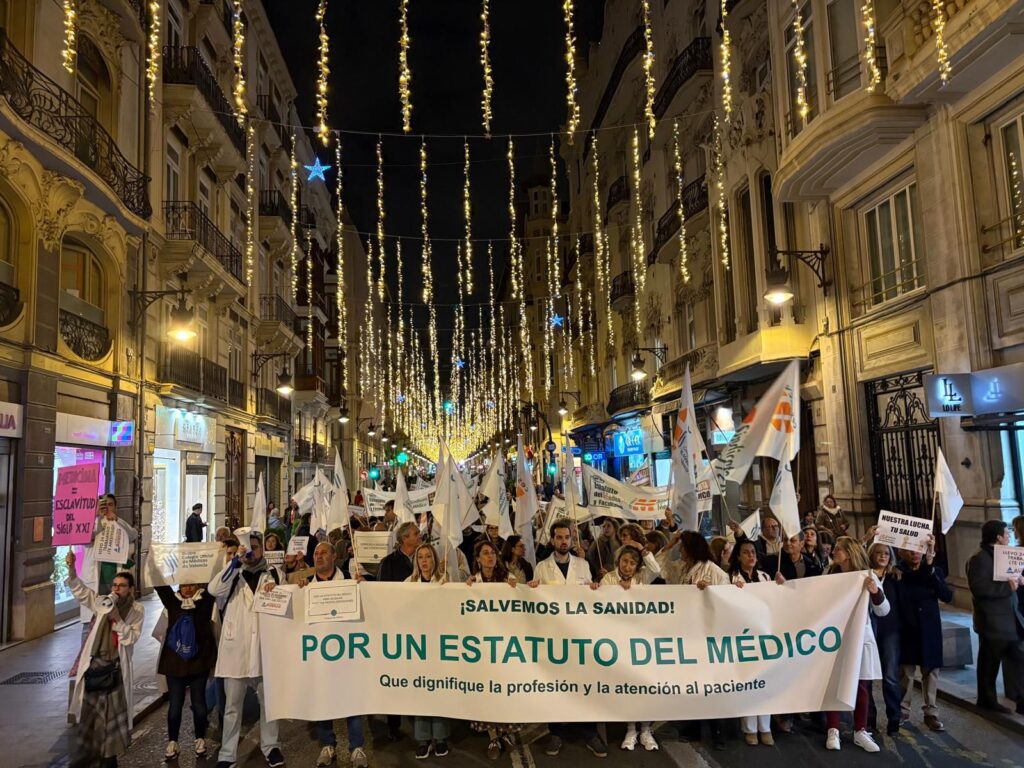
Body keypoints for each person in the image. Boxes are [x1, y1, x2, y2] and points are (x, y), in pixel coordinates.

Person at [207, 533, 286, 768]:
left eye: (254, 547)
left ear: (262, 549)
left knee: (269, 703)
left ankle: (271, 746)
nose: (251, 552)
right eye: (247, 548)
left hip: (265, 650)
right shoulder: (232, 575)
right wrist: (235, 561)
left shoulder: (274, 574)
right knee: (232, 706)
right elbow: (214, 589)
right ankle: (227, 753)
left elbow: (287, 602)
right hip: (236, 651)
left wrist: (279, 590)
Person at [529, 521, 607, 758]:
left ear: (572, 541)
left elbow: (593, 598)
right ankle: (556, 733)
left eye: (567, 537)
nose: (563, 541)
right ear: (552, 540)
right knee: (555, 687)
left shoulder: (583, 565)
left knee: (585, 685)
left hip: (580, 637)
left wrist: (595, 588)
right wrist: (530, 589)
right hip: (554, 638)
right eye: (559, 537)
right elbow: (534, 603)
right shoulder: (542, 568)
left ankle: (590, 732)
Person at [64, 551, 144, 768]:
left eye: (122, 586)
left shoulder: (136, 610)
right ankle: (90, 757)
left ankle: (109, 759)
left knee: (111, 722)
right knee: (91, 720)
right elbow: (82, 593)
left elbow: (130, 637)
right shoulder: (102, 602)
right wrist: (72, 570)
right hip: (94, 669)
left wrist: (117, 619)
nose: (116, 589)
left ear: (130, 590)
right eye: (114, 585)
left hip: (114, 671)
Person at [301, 542, 369, 767]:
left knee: (352, 701)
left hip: (348, 655)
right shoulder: (305, 586)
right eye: (316, 553)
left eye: (323, 553)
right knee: (324, 701)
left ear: (334, 556)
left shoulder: (350, 579)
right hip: (321, 657)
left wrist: (365, 588)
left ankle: (356, 747)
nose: (319, 557)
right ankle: (327, 745)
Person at [591, 545, 659, 752]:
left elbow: (656, 570)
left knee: (645, 685)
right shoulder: (608, 579)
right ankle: (630, 729)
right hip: (619, 639)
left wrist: (644, 551)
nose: (627, 566)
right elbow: (600, 603)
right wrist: (599, 589)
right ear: (618, 560)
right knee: (629, 686)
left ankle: (646, 730)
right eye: (624, 561)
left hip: (640, 639)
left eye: (632, 563)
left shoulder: (641, 578)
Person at [824, 537, 889, 753]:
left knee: (862, 685)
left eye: (838, 549)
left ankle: (860, 730)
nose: (834, 552)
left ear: (849, 553)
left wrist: (875, 592)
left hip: (860, 637)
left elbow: (884, 610)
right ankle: (833, 728)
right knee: (834, 682)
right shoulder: (830, 574)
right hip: (834, 637)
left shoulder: (867, 576)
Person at [467, 540, 521, 759]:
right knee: (487, 693)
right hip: (482, 648)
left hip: (505, 647)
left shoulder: (507, 579)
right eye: (485, 554)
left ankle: (506, 733)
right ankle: (492, 738)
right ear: (478, 559)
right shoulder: (473, 582)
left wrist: (519, 587)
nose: (490, 557)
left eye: (493, 553)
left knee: (504, 692)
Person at [153, 576, 217, 760]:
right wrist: (153, 556)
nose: (187, 589)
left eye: (191, 585)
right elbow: (159, 586)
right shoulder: (173, 602)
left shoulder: (205, 601)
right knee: (175, 705)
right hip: (175, 664)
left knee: (199, 704)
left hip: (198, 664)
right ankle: (173, 741)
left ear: (198, 585)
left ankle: (200, 739)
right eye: (183, 585)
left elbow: (216, 584)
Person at [966, 519, 1024, 714]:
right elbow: (979, 588)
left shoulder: (1003, 555)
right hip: (992, 621)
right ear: (998, 537)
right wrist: (1007, 587)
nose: (1010, 537)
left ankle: (1020, 700)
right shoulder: (980, 558)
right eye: (1007, 534)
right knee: (990, 664)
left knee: (1018, 659)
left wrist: (1018, 578)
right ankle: (987, 699)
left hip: (1009, 619)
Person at [896, 537, 953, 731]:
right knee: (906, 673)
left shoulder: (933, 571)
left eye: (919, 549)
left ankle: (931, 712)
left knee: (931, 672)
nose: (916, 553)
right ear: (902, 551)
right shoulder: (897, 572)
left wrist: (930, 566)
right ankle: (903, 711)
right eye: (911, 549)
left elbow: (946, 595)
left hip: (929, 629)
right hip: (907, 628)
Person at [726, 541, 775, 745]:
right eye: (746, 553)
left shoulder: (765, 577)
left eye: (753, 552)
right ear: (738, 556)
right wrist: (733, 591)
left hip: (763, 634)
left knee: (765, 681)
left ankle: (765, 726)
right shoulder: (730, 578)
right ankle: (749, 728)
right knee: (748, 681)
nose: (751, 556)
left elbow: (774, 601)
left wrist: (779, 585)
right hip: (742, 635)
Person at [866, 542, 902, 736]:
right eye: (878, 553)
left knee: (890, 677)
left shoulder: (896, 576)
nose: (882, 556)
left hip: (890, 632)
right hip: (869, 632)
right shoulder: (864, 576)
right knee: (868, 677)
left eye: (886, 553)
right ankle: (869, 720)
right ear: (871, 555)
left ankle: (894, 719)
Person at [586, 517, 620, 581]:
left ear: (615, 527)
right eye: (604, 526)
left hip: (616, 578)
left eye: (608, 526)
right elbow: (589, 558)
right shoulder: (598, 542)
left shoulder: (620, 543)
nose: (605, 528)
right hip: (602, 577)